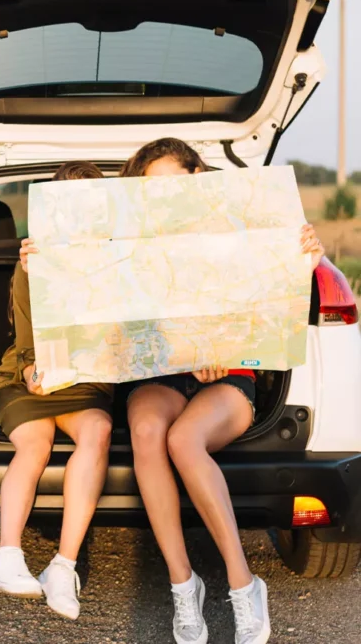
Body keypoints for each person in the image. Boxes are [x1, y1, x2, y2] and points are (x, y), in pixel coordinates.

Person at [23, 138, 324, 644]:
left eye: (173, 186)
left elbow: (274, 297)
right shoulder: (129, 243)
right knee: (146, 429)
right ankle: (185, 587)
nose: (164, 200)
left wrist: (304, 261)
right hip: (158, 376)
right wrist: (45, 262)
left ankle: (243, 584)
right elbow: (87, 291)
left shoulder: (239, 232)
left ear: (198, 175)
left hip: (227, 375)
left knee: (184, 441)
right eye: (152, 191)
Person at [0, 161, 113, 621]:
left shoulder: (116, 260)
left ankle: (64, 565)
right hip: (31, 377)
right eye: (68, 201)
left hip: (87, 382)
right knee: (34, 445)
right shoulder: (33, 258)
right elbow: (25, 336)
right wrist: (32, 370)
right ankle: (7, 556)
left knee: (97, 432)